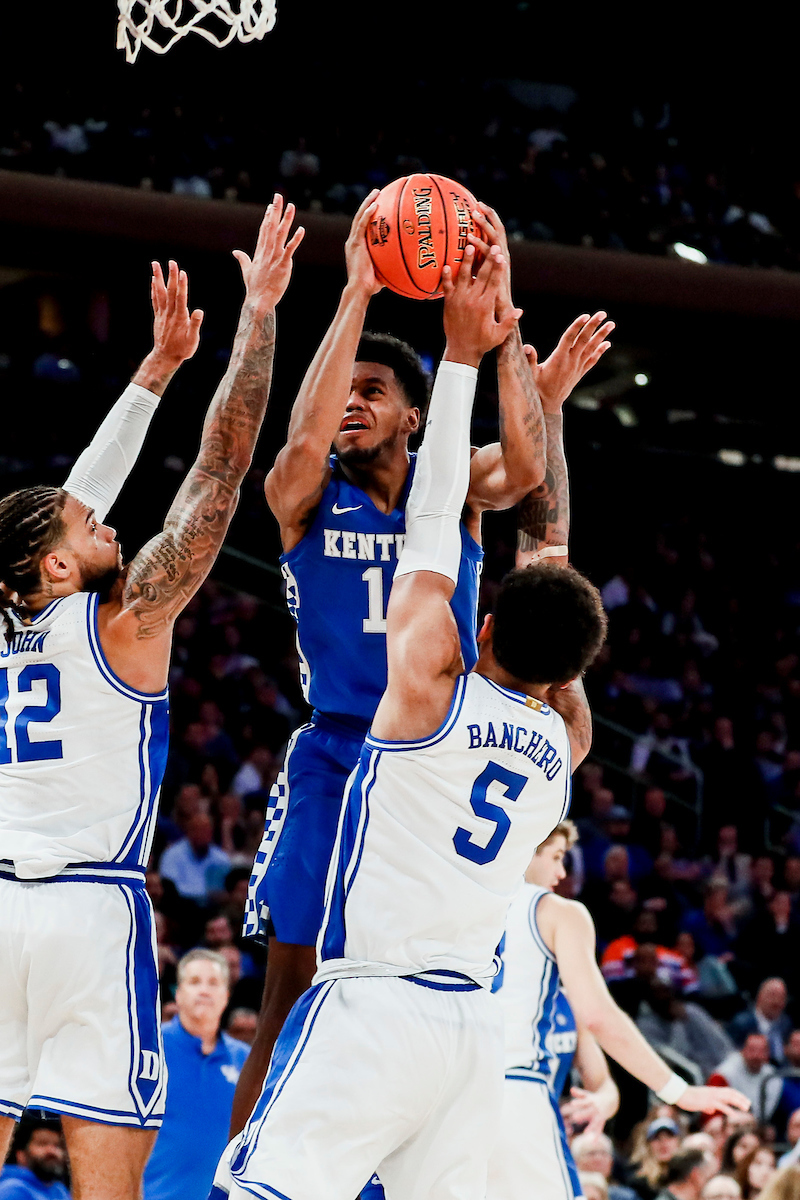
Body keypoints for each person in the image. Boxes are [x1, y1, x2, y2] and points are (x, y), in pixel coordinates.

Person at [208, 225, 609, 1200]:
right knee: (292, 990)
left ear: (414, 415)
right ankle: (250, 1167)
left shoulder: (455, 495)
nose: (351, 402)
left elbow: (521, 470)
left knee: (405, 983)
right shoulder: (309, 501)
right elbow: (297, 441)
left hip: (434, 750)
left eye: (372, 391)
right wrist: (349, 295)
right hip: (341, 751)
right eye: (347, 387)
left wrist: (531, 386)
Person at [0, 197, 303, 1200]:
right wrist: (257, 312)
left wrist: (155, 367)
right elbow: (218, 467)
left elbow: (75, 504)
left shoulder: (13, 620)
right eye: (85, 526)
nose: (108, 524)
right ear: (49, 559)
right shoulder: (125, 620)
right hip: (90, 912)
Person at [487, 820, 621, 1200]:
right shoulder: (502, 980)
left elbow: (605, 1085)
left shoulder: (569, 1006)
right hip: (511, 1109)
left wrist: (600, 1103)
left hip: (538, 1120)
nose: (562, 875)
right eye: (557, 858)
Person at [142, 950, 250, 1200]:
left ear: (226, 996)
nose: (204, 990)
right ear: (178, 994)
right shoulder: (150, 1049)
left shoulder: (245, 1061)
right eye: (194, 982)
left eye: (213, 983)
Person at [710, 1035, 780, 1120]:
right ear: (742, 1050)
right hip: (727, 1119)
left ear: (768, 1054)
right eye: (752, 1050)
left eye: (761, 1051)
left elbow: (767, 1113)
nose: (756, 1056)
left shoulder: (773, 1077)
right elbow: (713, 1110)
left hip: (757, 1122)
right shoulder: (725, 1073)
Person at [727, 980, 792, 1065]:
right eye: (772, 996)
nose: (776, 1002)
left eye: (781, 997)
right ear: (759, 997)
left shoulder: (786, 1023)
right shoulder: (741, 1024)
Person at [0, 1122, 70, 1199]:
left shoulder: (59, 1190)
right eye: (42, 1143)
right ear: (21, 1155)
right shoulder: (12, 1190)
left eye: (58, 1145)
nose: (51, 1151)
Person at [571, 1132, 639, 1200]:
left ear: (611, 1162)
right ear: (576, 1161)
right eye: (592, 1153)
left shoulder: (625, 1196)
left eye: (603, 1153)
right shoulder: (569, 1191)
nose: (598, 1159)